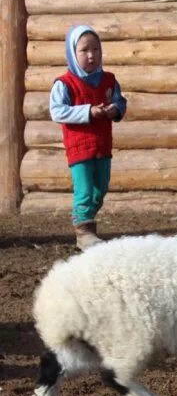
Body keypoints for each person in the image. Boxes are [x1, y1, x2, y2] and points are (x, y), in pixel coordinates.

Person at [49, 25, 127, 250]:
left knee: (100, 188)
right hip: (79, 148)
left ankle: (86, 220)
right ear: (73, 53)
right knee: (84, 190)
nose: (91, 55)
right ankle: (83, 232)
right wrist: (88, 112)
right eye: (84, 50)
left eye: (96, 49)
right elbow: (57, 111)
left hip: (103, 145)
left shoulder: (109, 80)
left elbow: (121, 101)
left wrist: (116, 109)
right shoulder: (64, 83)